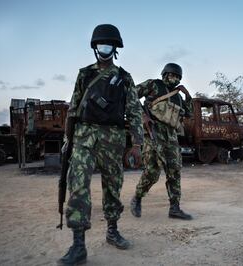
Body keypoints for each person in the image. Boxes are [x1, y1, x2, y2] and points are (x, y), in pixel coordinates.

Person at [58, 24, 143, 265]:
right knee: (78, 187)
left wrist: (136, 144)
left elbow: (134, 111)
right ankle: (78, 244)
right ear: (95, 48)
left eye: (109, 45)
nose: (105, 49)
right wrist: (68, 138)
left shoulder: (125, 78)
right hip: (84, 138)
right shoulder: (84, 74)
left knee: (113, 186)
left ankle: (112, 230)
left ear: (115, 49)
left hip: (113, 139)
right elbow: (73, 108)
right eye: (101, 45)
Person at [130, 63, 193, 220]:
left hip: (170, 135)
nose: (175, 79)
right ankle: (137, 197)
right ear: (165, 74)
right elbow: (131, 95)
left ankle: (175, 208)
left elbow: (189, 113)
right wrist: (142, 115)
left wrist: (188, 96)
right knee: (152, 172)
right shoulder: (154, 85)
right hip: (153, 130)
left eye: (177, 77)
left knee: (174, 170)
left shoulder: (178, 97)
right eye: (172, 75)